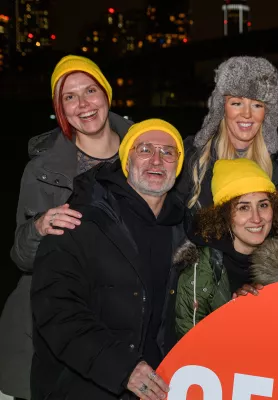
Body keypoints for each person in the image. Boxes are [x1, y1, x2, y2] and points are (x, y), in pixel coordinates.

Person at [0, 55, 132, 400]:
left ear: (106, 94)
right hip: (44, 330)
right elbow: (20, 256)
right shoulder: (41, 170)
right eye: (69, 97)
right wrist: (39, 227)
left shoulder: (147, 153)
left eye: (90, 90)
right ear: (60, 108)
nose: (83, 104)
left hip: (119, 326)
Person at [31, 119, 186, 399]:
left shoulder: (185, 230)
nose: (156, 160)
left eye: (168, 152)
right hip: (85, 387)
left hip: (160, 386)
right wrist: (122, 368)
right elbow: (56, 310)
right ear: (126, 160)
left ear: (179, 163)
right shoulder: (79, 221)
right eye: (145, 149)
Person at [174, 158, 278, 338]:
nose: (257, 218)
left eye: (263, 205)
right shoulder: (203, 267)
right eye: (244, 208)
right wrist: (233, 315)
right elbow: (190, 343)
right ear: (224, 215)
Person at [179, 56, 278, 218]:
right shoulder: (193, 158)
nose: (247, 114)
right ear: (221, 108)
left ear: (267, 113)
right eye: (237, 103)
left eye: (257, 105)